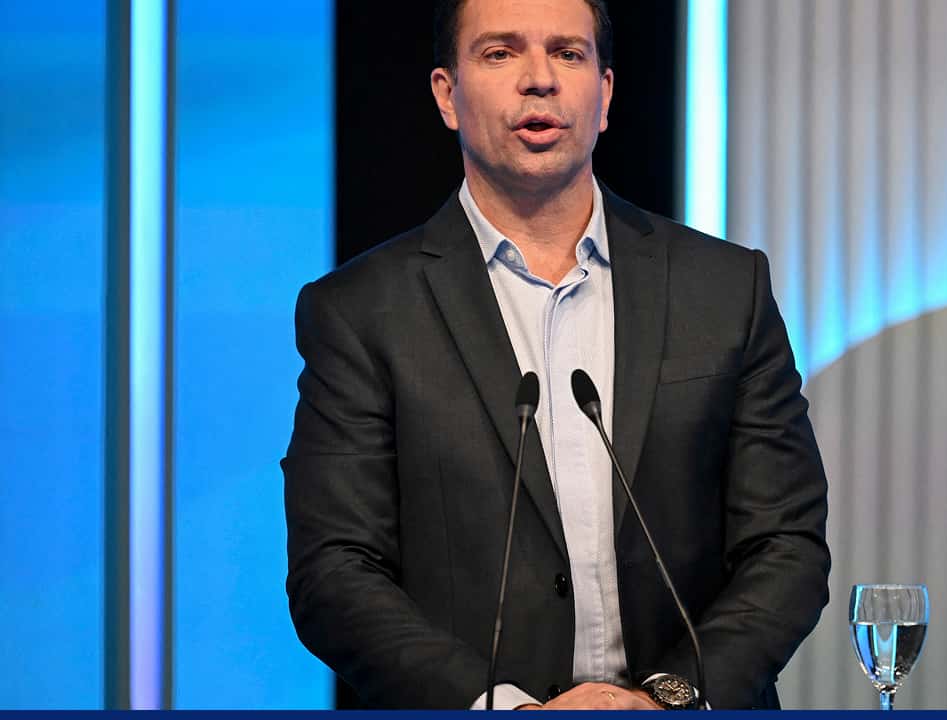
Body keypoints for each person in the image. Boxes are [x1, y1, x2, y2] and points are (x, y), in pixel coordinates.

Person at [282, 0, 829, 709]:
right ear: (447, 96)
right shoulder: (361, 311)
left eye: (568, 54)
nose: (539, 79)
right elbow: (335, 571)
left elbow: (785, 545)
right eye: (501, 52)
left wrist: (668, 698)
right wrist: (503, 708)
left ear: (604, 96)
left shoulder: (725, 288)